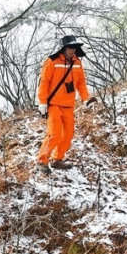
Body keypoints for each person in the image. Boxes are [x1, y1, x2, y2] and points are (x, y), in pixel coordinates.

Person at [36, 35, 98, 173]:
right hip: (53, 105)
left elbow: (81, 82)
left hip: (69, 105)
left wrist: (85, 99)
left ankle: (57, 159)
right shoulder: (52, 61)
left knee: (68, 135)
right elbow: (44, 82)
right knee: (55, 134)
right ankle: (42, 161)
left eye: (74, 47)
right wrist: (42, 102)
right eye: (70, 47)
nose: (72, 50)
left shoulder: (77, 63)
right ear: (63, 48)